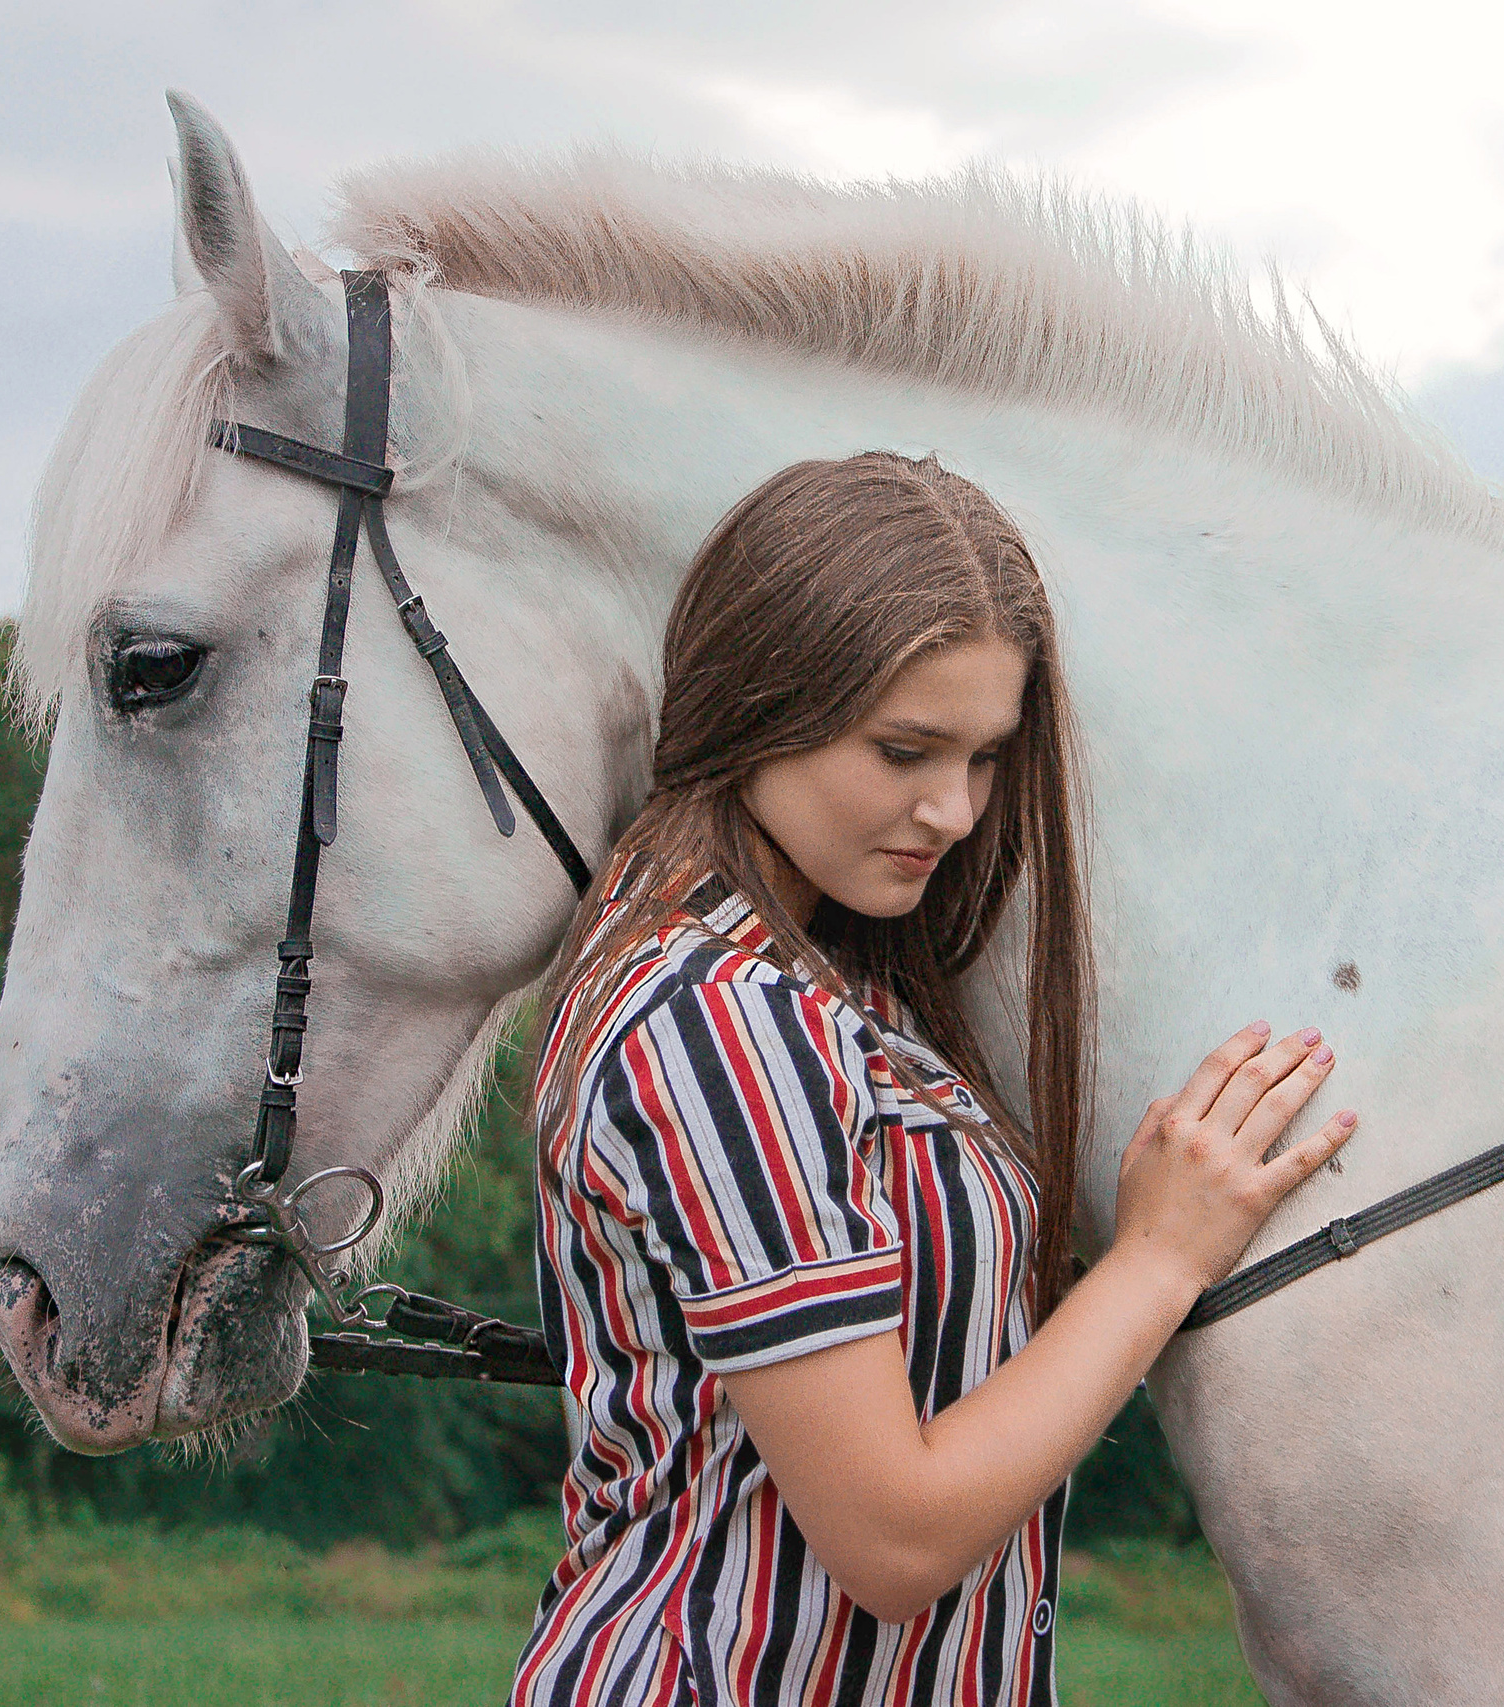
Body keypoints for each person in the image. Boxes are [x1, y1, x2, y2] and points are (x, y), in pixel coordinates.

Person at [513, 451, 1356, 1705]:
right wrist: (1159, 1259)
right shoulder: (723, 1022)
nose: (953, 810)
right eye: (904, 750)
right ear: (758, 701)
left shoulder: (845, 984)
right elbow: (891, 1538)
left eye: (983, 756)